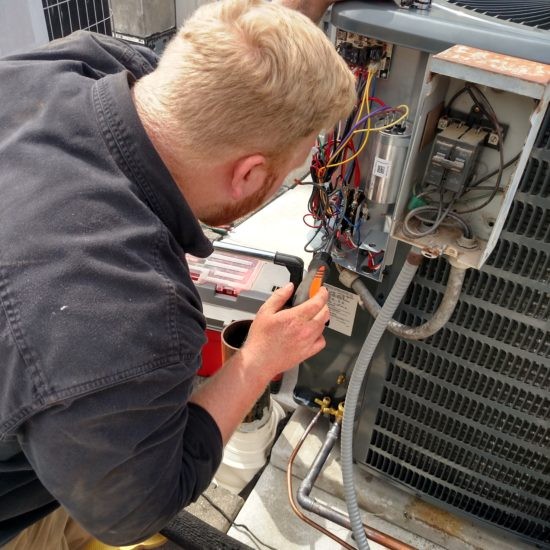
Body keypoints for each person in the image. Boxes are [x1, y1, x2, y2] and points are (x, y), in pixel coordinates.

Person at [0, 0, 355, 547]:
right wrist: (256, 362)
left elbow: (205, 65)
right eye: (292, 168)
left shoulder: (69, 64)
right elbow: (134, 512)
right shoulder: (130, 318)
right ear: (249, 174)